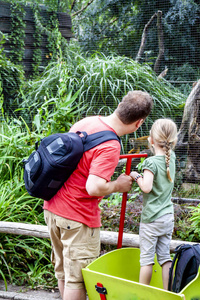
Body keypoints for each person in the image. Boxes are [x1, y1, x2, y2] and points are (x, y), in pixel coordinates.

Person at [43, 90, 153, 300]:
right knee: (78, 279)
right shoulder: (110, 145)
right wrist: (118, 185)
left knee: (64, 271)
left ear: (120, 106)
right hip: (77, 217)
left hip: (53, 208)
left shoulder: (87, 123)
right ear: (139, 123)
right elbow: (93, 187)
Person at [130, 118, 178, 290]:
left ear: (151, 140)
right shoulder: (170, 158)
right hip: (167, 216)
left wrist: (136, 176)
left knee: (147, 260)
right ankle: (167, 293)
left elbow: (146, 187)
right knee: (165, 258)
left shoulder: (151, 163)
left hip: (151, 219)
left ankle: (143, 294)